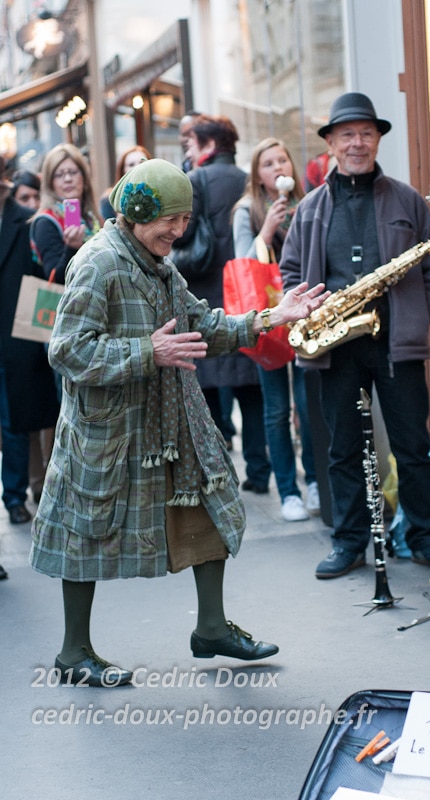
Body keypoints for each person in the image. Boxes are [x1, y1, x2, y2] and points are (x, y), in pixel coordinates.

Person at [29, 158, 328, 686]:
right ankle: (74, 652)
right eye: (170, 220)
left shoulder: (159, 263)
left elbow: (201, 326)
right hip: (111, 431)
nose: (179, 231)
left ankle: (210, 628)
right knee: (86, 531)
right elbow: (68, 351)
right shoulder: (98, 264)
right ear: (137, 213)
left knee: (209, 508)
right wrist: (148, 350)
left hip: (170, 422)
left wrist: (269, 316)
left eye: (185, 220)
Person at [279, 92, 430, 577]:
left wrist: (420, 314)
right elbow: (291, 270)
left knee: (411, 444)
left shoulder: (407, 198)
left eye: (365, 133)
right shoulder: (310, 208)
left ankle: (426, 538)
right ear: (331, 145)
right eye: (347, 135)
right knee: (342, 449)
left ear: (378, 139)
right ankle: (349, 542)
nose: (357, 143)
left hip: (394, 343)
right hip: (335, 344)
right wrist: (308, 309)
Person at [172, 114, 272, 495]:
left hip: (206, 296)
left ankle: (218, 475)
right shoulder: (247, 180)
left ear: (209, 146)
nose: (188, 151)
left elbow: (180, 235)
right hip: (246, 295)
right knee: (251, 392)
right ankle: (259, 471)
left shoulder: (196, 181)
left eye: (191, 144)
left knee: (209, 394)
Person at [233, 137, 320, 521]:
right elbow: (240, 265)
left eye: (282, 160)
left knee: (307, 403)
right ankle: (288, 490)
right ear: (258, 175)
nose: (278, 168)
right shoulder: (246, 211)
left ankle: (315, 480)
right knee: (276, 409)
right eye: (268, 164)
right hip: (268, 319)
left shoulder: (310, 202)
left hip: (305, 316)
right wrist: (266, 231)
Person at [0, 157, 59, 527]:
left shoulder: (25, 219)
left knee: (15, 422)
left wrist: (41, 339)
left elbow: (44, 280)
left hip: (17, 337)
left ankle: (14, 496)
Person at [11, 168, 54, 504]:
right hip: (20, 324)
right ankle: (27, 485)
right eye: (24, 197)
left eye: (35, 196)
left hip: (37, 317)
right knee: (23, 411)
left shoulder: (35, 224)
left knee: (45, 406)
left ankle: (44, 483)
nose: (32, 203)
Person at [30, 143, 101, 285]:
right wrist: (71, 248)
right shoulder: (46, 221)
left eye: (73, 172)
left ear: (84, 177)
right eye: (59, 174)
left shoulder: (90, 218)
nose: (67, 179)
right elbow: (55, 279)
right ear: (50, 183)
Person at [100, 145, 152, 220]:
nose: (137, 167)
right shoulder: (109, 199)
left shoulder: (160, 193)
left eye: (142, 162)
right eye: (131, 164)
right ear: (123, 170)